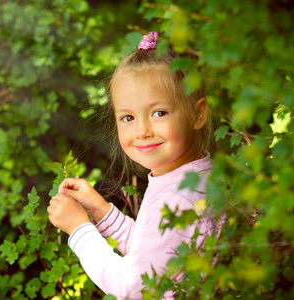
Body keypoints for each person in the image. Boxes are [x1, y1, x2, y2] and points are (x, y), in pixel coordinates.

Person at [47, 32, 217, 299]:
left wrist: (79, 228)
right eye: (127, 117)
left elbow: (131, 286)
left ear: (197, 114)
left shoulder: (177, 199)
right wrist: (101, 211)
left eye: (159, 113)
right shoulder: (191, 179)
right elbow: (149, 250)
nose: (141, 131)